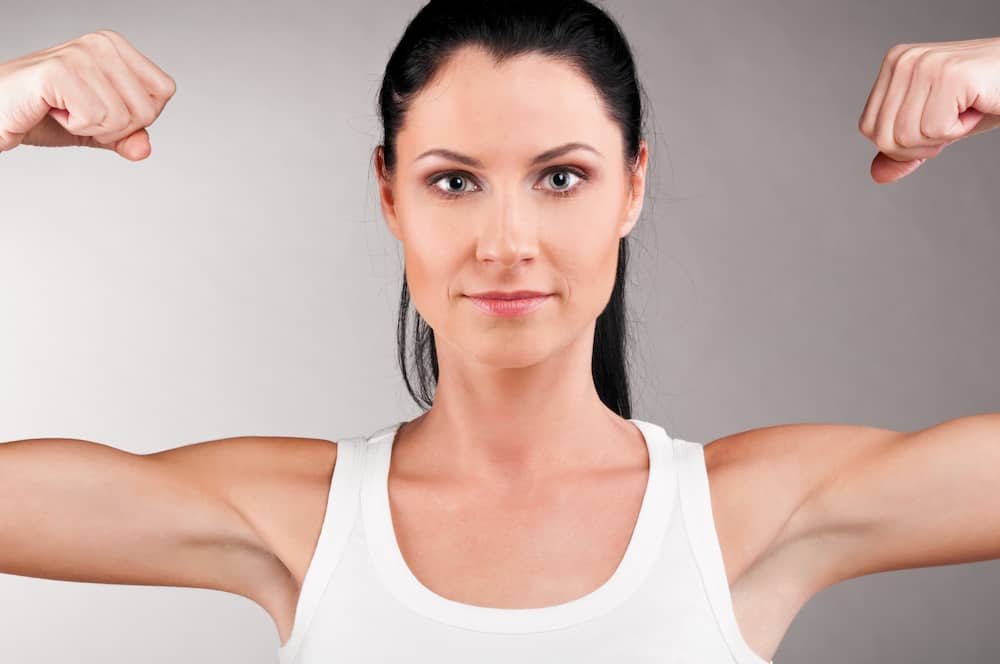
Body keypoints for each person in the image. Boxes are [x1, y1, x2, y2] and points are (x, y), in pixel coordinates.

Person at [1, 2, 999, 663]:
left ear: (633, 186)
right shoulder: (292, 516)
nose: (507, 242)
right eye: (453, 180)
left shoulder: (754, 512)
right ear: (389, 193)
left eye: (561, 176)